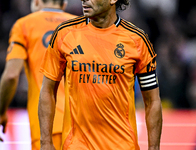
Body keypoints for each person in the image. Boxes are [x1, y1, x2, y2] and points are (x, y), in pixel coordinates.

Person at [38, 0, 163, 150]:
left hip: (122, 146)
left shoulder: (137, 40)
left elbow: (152, 101)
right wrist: (45, 142)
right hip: (77, 146)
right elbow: (47, 90)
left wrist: (154, 147)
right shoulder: (64, 33)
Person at [0, 0, 76, 149]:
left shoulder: (24, 25)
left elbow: (11, 75)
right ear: (64, 4)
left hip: (47, 127)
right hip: (83, 125)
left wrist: (2, 111)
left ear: (36, 2)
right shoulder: (80, 25)